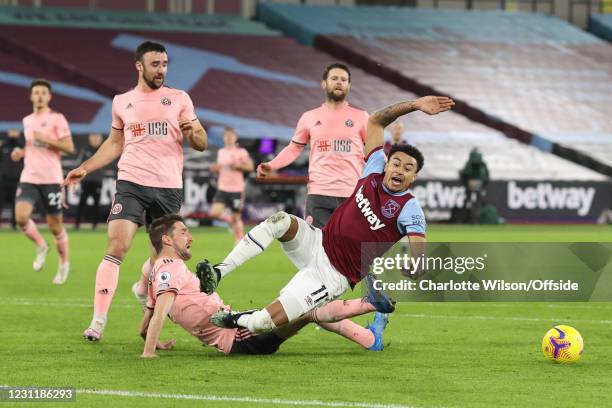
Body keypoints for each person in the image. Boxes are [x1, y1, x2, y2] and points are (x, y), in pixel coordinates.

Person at [203, 96, 455, 334]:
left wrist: (416, 265)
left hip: (334, 274)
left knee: (261, 323)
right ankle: (219, 272)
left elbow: (419, 251)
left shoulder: (410, 208)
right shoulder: (374, 166)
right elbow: (376, 120)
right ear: (387, 163)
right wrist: (415, 104)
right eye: (397, 163)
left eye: (408, 168)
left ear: (414, 177)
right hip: (317, 242)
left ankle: (237, 318)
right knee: (281, 220)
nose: (400, 169)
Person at [63, 41, 208, 342]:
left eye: (165, 64)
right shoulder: (122, 101)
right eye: (155, 64)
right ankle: (98, 321)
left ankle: (144, 288)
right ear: (139, 66)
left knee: (165, 259)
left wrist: (194, 132)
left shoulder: (179, 98)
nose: (161, 70)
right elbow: (115, 144)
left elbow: (201, 141)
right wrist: (86, 167)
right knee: (118, 244)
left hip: (168, 186)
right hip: (131, 181)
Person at [140, 214, 389, 358]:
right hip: (240, 336)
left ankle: (370, 336)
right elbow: (160, 312)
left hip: (238, 331)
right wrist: (149, 352)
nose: (190, 236)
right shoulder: (170, 269)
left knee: (308, 310)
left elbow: (148, 310)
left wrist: (150, 339)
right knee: (308, 310)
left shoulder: (153, 272)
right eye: (183, 232)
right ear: (166, 239)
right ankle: (370, 309)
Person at [257, 63, 369, 228]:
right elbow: (294, 148)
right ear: (324, 83)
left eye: (343, 80)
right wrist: (271, 165)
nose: (339, 82)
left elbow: (374, 150)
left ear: (349, 86)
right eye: (334, 78)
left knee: (349, 250)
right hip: (319, 193)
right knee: (317, 248)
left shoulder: (362, 117)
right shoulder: (309, 117)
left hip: (352, 194)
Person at [12, 79, 74, 284]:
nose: (39, 96)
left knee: (55, 225)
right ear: (31, 96)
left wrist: (47, 140)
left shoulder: (57, 118)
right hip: (29, 176)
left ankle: (64, 263)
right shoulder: (27, 120)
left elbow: (69, 147)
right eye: (36, 93)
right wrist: (21, 152)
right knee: (21, 217)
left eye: (43, 93)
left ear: (49, 96)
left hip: (51, 179)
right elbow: (32, 145)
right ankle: (41, 245)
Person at [208, 127, 253, 243]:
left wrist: (238, 166)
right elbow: (221, 167)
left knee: (237, 216)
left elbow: (250, 167)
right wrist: (216, 168)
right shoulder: (221, 152)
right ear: (223, 138)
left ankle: (239, 241)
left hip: (236, 189)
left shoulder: (241, 152)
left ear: (235, 137)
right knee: (214, 212)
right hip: (222, 188)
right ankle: (229, 219)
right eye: (227, 136)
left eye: (231, 135)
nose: (229, 138)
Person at [74, 133, 104, 230]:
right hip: (86, 181)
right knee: (81, 203)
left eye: (97, 137)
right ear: (89, 139)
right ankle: (77, 224)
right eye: (93, 137)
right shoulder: (85, 150)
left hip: (97, 181)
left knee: (96, 204)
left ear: (101, 139)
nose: (95, 140)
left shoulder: (103, 150)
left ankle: (94, 225)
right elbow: (78, 164)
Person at [0, 129, 23, 229]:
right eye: (11, 132)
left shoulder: (21, 147)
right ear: (8, 133)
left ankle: (14, 225)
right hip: (3, 181)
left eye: (15, 132)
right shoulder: (3, 146)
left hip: (16, 181)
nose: (13, 134)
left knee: (16, 204)